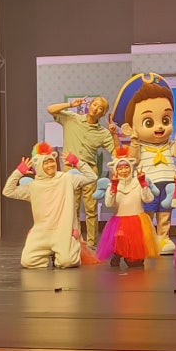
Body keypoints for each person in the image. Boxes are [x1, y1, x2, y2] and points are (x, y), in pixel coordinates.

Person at [110, 73, 176, 255]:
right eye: (149, 122)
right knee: (148, 212)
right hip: (148, 183)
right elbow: (133, 159)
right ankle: (148, 238)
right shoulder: (140, 144)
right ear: (129, 127)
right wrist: (134, 141)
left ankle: (163, 237)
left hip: (168, 181)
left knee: (165, 212)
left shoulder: (167, 144)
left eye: (165, 120)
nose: (159, 127)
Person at [2, 142, 97, 268]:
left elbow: (92, 177)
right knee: (28, 261)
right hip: (42, 233)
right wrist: (18, 172)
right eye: (45, 162)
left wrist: (78, 163)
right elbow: (8, 191)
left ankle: (61, 253)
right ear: (38, 165)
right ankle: (49, 253)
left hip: (63, 232)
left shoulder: (67, 179)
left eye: (51, 161)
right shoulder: (33, 186)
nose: (50, 165)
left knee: (67, 261)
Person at [46, 96, 119, 248]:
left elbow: (117, 153)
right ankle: (76, 241)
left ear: (102, 113)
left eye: (100, 108)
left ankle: (91, 243)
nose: (95, 108)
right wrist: (70, 104)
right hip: (70, 169)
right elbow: (50, 109)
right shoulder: (72, 118)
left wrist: (114, 134)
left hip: (89, 171)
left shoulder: (103, 133)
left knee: (91, 208)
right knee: (72, 208)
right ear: (89, 105)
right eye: (94, 104)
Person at [96, 146, 159, 268]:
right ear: (115, 170)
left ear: (131, 167)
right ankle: (118, 252)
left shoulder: (138, 183)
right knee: (121, 240)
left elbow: (149, 199)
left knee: (136, 263)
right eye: (120, 168)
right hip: (119, 222)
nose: (124, 170)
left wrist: (143, 184)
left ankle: (126, 254)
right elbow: (109, 204)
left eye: (126, 167)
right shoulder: (112, 185)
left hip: (137, 220)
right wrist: (114, 187)